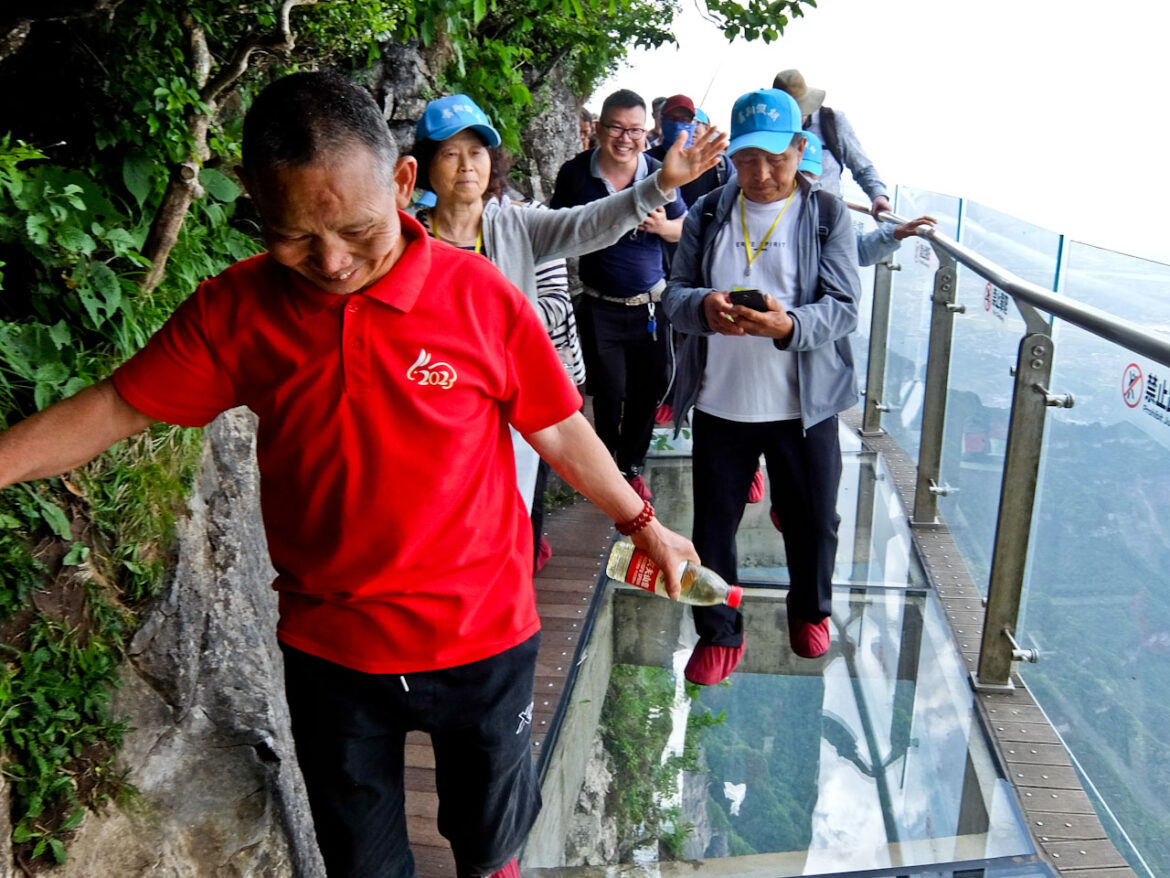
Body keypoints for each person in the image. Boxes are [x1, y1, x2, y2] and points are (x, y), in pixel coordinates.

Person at [0, 71, 702, 878]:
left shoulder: (479, 297)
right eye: (294, 237)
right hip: (332, 652)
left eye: (357, 231)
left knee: (490, 843)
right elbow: (115, 406)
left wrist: (642, 522)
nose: (330, 262)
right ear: (258, 212)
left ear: (404, 183)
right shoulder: (239, 310)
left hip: (485, 634)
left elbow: (558, 428)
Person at [409, 93, 726, 571]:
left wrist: (660, 182)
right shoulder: (404, 239)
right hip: (432, 415)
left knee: (509, 528)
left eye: (476, 152)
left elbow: (587, 224)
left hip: (511, 413)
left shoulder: (515, 224)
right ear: (423, 166)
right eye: (450, 153)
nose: (466, 166)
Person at [662, 87, 861, 685]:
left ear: (801, 149)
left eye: (776, 157)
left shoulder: (826, 214)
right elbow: (674, 298)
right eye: (749, 158)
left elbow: (845, 307)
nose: (763, 172)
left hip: (804, 403)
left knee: (813, 519)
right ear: (731, 157)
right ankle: (720, 632)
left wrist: (789, 324)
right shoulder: (707, 214)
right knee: (712, 526)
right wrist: (706, 307)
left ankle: (810, 610)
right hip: (724, 400)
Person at [551, 89, 688, 501]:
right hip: (598, 304)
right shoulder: (576, 174)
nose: (625, 138)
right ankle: (607, 467)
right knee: (608, 395)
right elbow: (554, 230)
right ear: (597, 129)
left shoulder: (659, 173)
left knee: (647, 394)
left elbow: (685, 230)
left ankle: (630, 469)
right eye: (615, 127)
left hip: (649, 305)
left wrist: (662, 228)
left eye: (635, 130)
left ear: (647, 132)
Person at [799, 130, 936, 268]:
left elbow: (859, 251)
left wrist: (895, 233)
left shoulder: (827, 215)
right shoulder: (780, 210)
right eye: (799, 174)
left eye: (810, 175)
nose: (805, 182)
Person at [773, 68, 891, 221]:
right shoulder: (769, 124)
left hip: (826, 219)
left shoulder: (832, 123)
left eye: (800, 110)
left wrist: (878, 195)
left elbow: (862, 166)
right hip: (780, 218)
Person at [647, 94, 734, 212]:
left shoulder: (718, 164)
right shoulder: (645, 160)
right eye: (671, 118)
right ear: (661, 121)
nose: (678, 124)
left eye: (685, 119)